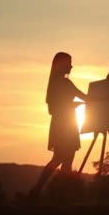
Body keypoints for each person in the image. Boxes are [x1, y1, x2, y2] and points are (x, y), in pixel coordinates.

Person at [29, 52, 90, 198]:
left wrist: (72, 104)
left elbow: (54, 108)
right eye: (69, 63)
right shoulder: (65, 84)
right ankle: (42, 190)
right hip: (66, 125)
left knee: (64, 159)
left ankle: (58, 193)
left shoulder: (55, 84)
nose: (71, 66)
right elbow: (86, 98)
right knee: (62, 158)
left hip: (61, 124)